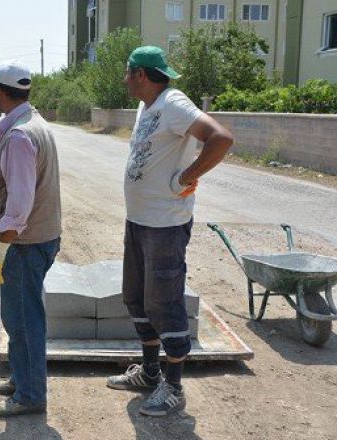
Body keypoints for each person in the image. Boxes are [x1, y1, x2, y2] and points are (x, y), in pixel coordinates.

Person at [106, 46, 234, 417]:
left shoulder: (174, 102)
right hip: (140, 221)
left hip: (166, 225)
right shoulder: (148, 106)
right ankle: (149, 373)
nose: (124, 79)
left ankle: (174, 386)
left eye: (127, 72)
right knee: (136, 297)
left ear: (140, 74)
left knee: (165, 303)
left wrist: (186, 178)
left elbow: (221, 138)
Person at [0, 62, 62, 417]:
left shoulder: (18, 136)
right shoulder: (35, 124)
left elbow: (19, 204)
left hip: (25, 244)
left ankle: (30, 395)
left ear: (0, 91)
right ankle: (22, 378)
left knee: (24, 319)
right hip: (40, 238)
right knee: (17, 316)